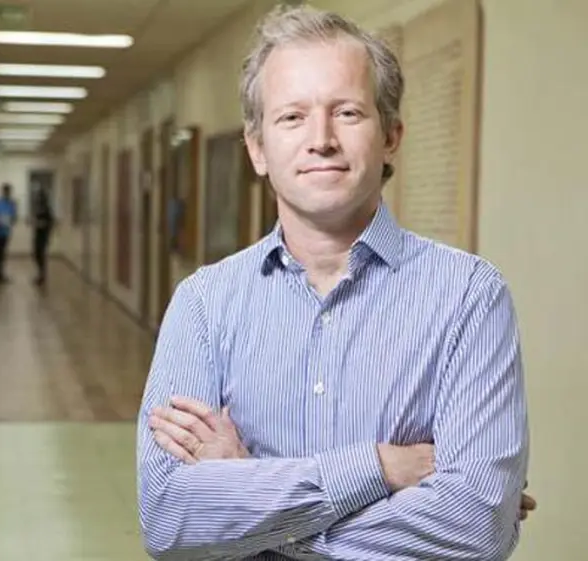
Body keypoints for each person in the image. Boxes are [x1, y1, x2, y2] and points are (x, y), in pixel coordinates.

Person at [136, 5, 535, 560]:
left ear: (391, 136)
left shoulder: (468, 297)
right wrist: (381, 469)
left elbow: (474, 526)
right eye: (292, 117)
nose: (320, 139)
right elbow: (170, 519)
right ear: (257, 148)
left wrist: (249, 492)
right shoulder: (204, 305)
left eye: (347, 112)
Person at [0, 183, 17, 283]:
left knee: (2, 254)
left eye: (8, 191)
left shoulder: (12, 204)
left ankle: (0, 274)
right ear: (3, 191)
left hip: (5, 233)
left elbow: (14, 218)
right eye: (5, 191)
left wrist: (10, 220)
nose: (7, 193)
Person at [31, 182, 54, 286]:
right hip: (38, 234)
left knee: (40, 255)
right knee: (37, 255)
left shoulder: (46, 209)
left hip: (43, 236)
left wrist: (40, 224)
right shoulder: (39, 209)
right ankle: (40, 275)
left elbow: (49, 223)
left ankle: (42, 276)